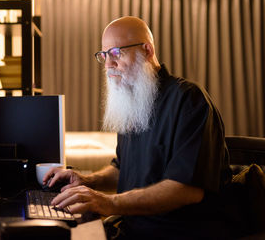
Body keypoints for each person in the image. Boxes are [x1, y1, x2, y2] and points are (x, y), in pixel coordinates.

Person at [43, 16, 232, 238]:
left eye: (115, 53)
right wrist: (88, 181)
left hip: (176, 232)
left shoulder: (189, 100)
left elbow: (186, 190)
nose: (108, 64)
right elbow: (121, 169)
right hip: (131, 228)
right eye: (103, 55)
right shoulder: (132, 101)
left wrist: (108, 202)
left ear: (147, 50)